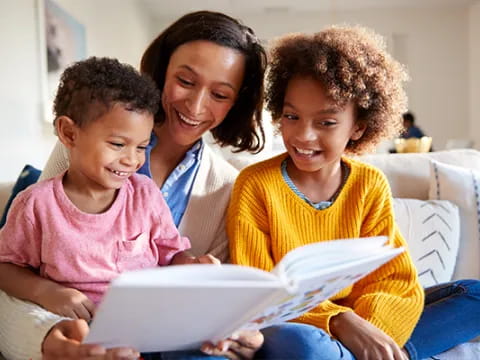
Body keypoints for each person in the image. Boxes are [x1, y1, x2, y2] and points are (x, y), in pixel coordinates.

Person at [0, 11, 266, 360]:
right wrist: (48, 330)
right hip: (74, 330)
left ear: (235, 103)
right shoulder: (67, 165)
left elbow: (177, 263)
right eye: (185, 81)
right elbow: (13, 275)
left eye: (219, 94)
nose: (196, 105)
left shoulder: (222, 188)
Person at [227, 26, 480, 360]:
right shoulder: (255, 184)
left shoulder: (368, 183)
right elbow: (261, 295)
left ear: (358, 126)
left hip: (361, 324)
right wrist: (340, 321)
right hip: (301, 326)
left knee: (474, 294)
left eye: (326, 122)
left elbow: (393, 279)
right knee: (302, 346)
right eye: (292, 116)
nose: (303, 135)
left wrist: (370, 333)